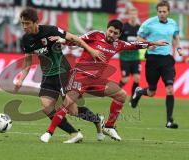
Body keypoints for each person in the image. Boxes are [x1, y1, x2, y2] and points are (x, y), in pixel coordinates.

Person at [40, 19, 168, 143]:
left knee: (121, 95)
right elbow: (78, 40)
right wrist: (63, 40)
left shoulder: (118, 44)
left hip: (96, 81)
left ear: (119, 35)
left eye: (115, 33)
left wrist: (153, 43)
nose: (111, 35)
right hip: (80, 76)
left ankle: (109, 126)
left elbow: (135, 45)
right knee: (68, 105)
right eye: (110, 31)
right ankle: (49, 132)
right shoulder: (95, 35)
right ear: (107, 29)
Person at [14, 7, 106, 143]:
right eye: (22, 23)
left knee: (73, 110)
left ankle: (97, 120)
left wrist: (91, 50)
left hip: (62, 72)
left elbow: (75, 38)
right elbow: (27, 62)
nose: (24, 26)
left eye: (27, 23)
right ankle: (74, 134)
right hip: (47, 75)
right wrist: (20, 79)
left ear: (35, 22)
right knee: (46, 108)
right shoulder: (26, 40)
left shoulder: (51, 30)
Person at [130, 1, 183, 129]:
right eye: (160, 11)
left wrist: (179, 48)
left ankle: (169, 121)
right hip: (152, 60)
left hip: (167, 60)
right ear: (157, 11)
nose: (162, 14)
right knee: (152, 92)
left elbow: (175, 37)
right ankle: (139, 92)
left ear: (168, 12)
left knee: (170, 89)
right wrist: (150, 43)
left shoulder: (173, 23)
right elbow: (138, 39)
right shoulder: (149, 23)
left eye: (164, 11)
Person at [119, 8, 141, 99]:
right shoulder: (124, 27)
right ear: (129, 15)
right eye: (131, 14)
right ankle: (114, 92)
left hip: (135, 57)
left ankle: (133, 98)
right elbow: (118, 40)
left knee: (137, 78)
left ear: (137, 15)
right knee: (125, 79)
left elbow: (142, 40)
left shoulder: (139, 28)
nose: (133, 16)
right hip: (125, 58)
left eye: (134, 14)